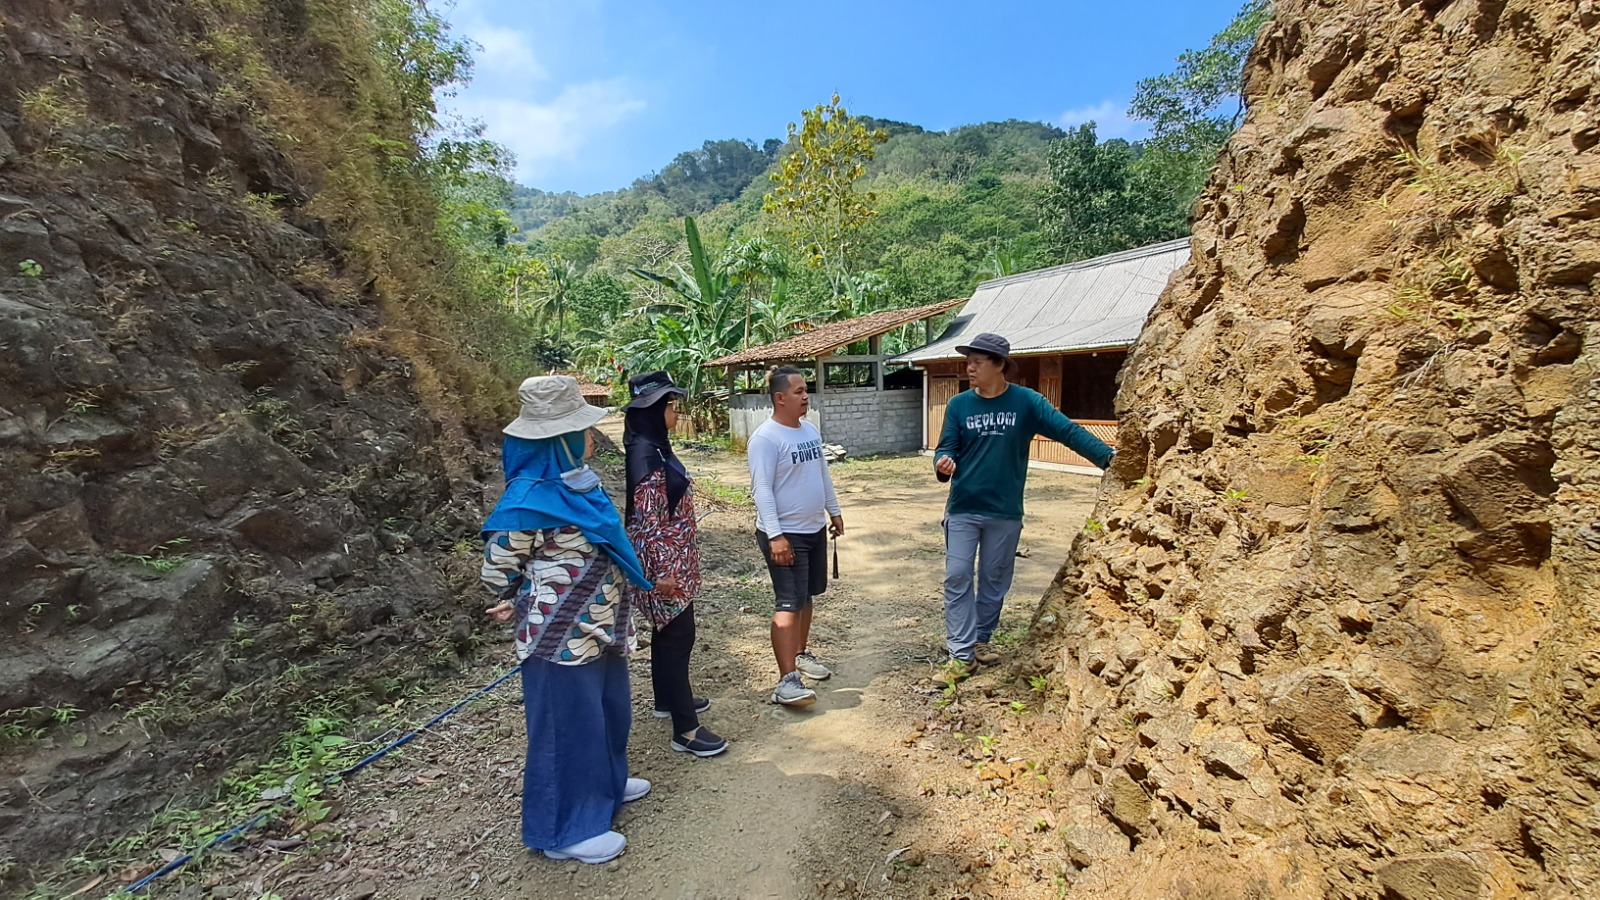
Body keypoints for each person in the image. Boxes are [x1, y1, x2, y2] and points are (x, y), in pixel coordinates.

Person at [480, 375, 655, 865]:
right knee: (565, 728)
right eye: (583, 430)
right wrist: (512, 595)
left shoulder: (579, 485)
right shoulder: (526, 502)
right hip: (558, 638)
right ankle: (562, 831)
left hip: (600, 627)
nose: (592, 437)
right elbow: (497, 568)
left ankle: (606, 787)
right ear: (557, 439)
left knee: (606, 713)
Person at [933, 333, 1113, 684]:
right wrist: (944, 461)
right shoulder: (959, 406)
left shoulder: (1026, 402)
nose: (969, 367)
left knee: (993, 582)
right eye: (968, 361)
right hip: (964, 507)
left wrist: (1109, 459)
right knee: (956, 576)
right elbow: (947, 447)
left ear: (1000, 366)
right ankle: (960, 655)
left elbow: (1068, 432)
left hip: (1004, 510)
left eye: (978, 362)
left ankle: (979, 641)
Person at [622, 371, 727, 758]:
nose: (675, 410)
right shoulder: (647, 456)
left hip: (674, 560)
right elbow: (647, 524)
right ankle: (686, 730)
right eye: (669, 405)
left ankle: (667, 700)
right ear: (651, 411)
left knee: (668, 635)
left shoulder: (654, 446)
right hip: (665, 565)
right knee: (678, 637)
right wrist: (661, 573)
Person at [748, 366, 845, 707]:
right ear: (780, 398)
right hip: (784, 534)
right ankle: (786, 680)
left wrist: (833, 510)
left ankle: (800, 654)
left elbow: (822, 474)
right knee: (788, 602)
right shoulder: (765, 439)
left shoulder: (809, 432)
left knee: (806, 597)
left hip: (812, 529)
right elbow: (761, 490)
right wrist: (775, 536)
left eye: (806, 390)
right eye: (799, 391)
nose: (806, 396)